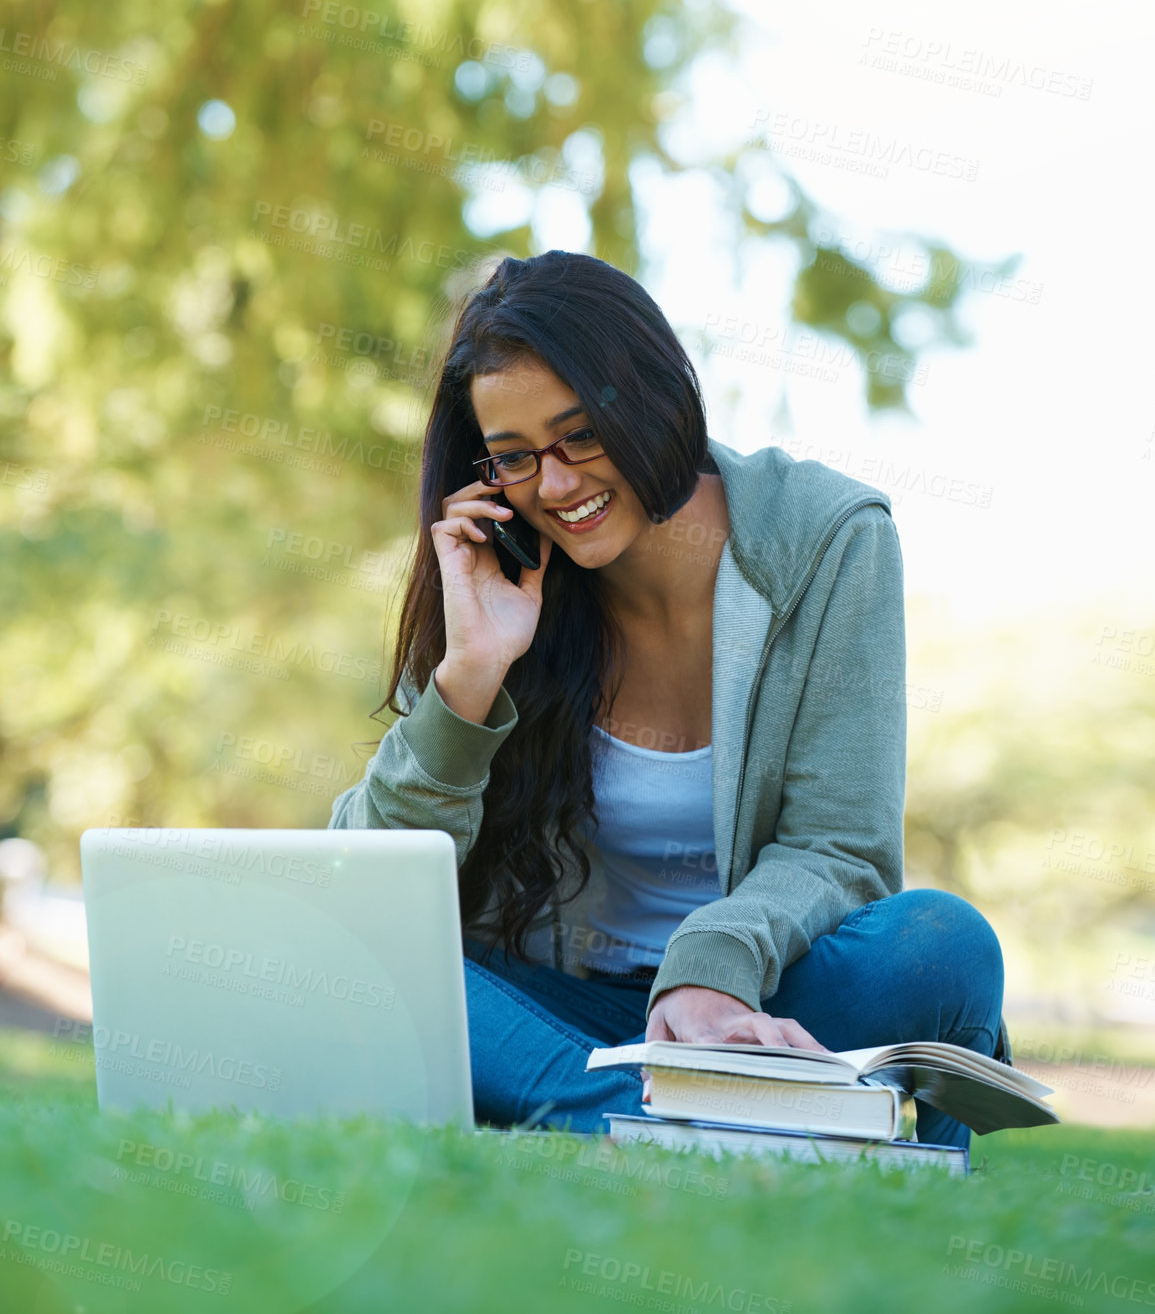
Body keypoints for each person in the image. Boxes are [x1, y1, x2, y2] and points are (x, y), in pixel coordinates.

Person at [330, 250, 1008, 1147]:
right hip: (561, 1017)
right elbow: (363, 882)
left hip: (757, 1009)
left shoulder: (827, 541)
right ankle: (632, 1121)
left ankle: (644, 1109)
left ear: (650, 396)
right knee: (353, 958)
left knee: (941, 942)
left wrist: (709, 968)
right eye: (516, 458)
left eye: (579, 434)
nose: (558, 485)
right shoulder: (494, 582)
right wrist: (468, 676)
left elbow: (841, 847)